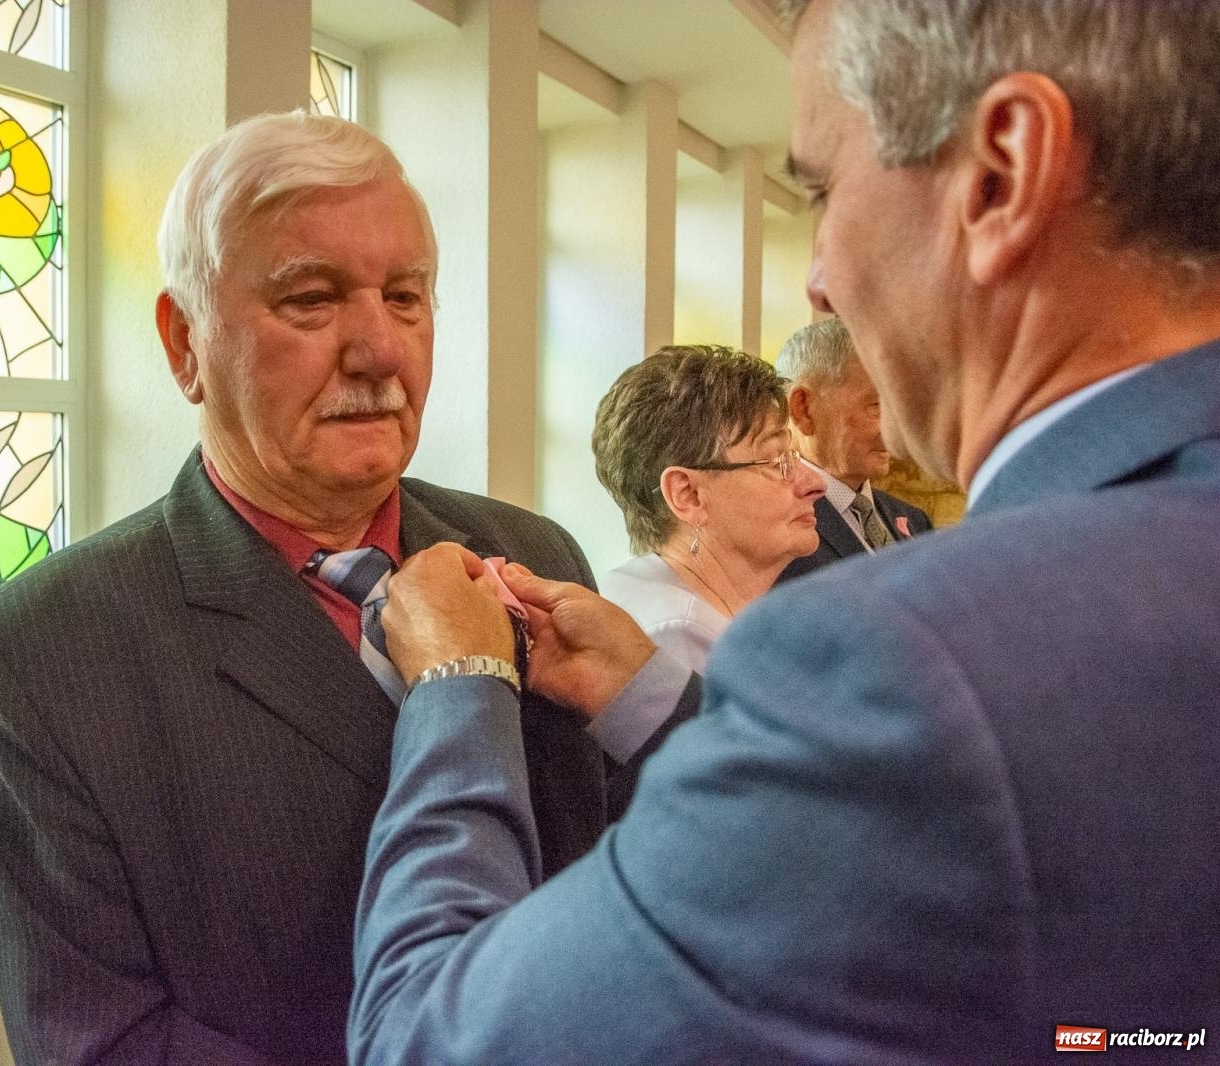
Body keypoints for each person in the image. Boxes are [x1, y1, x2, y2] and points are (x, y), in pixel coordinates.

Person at [349, 0, 1220, 1061]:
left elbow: (427, 1041)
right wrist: (654, 700)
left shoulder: (909, 660)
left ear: (1001, 173)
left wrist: (455, 691)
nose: (817, 275)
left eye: (823, 188)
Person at [0, 112, 654, 1066]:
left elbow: (637, 885)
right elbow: (105, 1041)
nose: (378, 352)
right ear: (184, 341)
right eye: (311, 301)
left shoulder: (531, 548)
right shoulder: (40, 653)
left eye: (406, 297)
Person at [593, 345, 824, 672]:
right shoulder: (677, 636)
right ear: (688, 495)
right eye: (777, 462)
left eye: (794, 456)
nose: (815, 483)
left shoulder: (654, 589)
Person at [773, 318, 931, 582]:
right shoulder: (775, 532)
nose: (896, 430)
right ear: (803, 409)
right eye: (877, 406)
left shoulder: (914, 521)